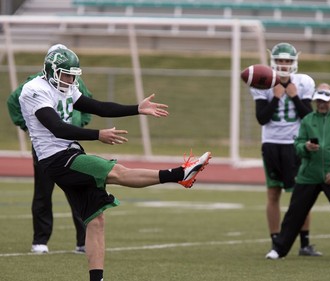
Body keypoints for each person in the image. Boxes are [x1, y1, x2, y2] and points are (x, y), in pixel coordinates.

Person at [19, 47, 211, 281]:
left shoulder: (68, 87)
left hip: (69, 153)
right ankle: (180, 174)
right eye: (65, 74)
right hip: (55, 158)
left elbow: (99, 107)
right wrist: (97, 134)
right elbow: (56, 128)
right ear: (51, 71)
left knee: (96, 219)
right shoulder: (34, 90)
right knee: (116, 172)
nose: (70, 80)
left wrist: (137, 109)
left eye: (72, 75)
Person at [266, 83, 330, 262]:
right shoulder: (308, 120)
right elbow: (298, 145)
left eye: (325, 100)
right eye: (318, 101)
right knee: (294, 214)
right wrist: (306, 147)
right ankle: (279, 250)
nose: (321, 104)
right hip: (308, 175)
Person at [7, 44, 91, 254]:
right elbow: (13, 102)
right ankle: (40, 240)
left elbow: (88, 101)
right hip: (46, 145)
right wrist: (28, 125)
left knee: (79, 190)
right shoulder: (35, 85)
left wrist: (81, 123)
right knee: (43, 192)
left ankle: (83, 241)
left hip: (69, 144)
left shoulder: (72, 79)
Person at [249, 42, 321, 256]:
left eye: (287, 61)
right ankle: (276, 241)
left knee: (301, 195)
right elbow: (262, 118)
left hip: (295, 146)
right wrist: (278, 96)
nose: (283, 64)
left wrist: (294, 95)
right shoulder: (263, 82)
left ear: (294, 62)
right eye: (280, 60)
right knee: (273, 193)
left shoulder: (304, 82)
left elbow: (308, 117)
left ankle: (304, 244)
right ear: (273, 61)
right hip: (271, 144)